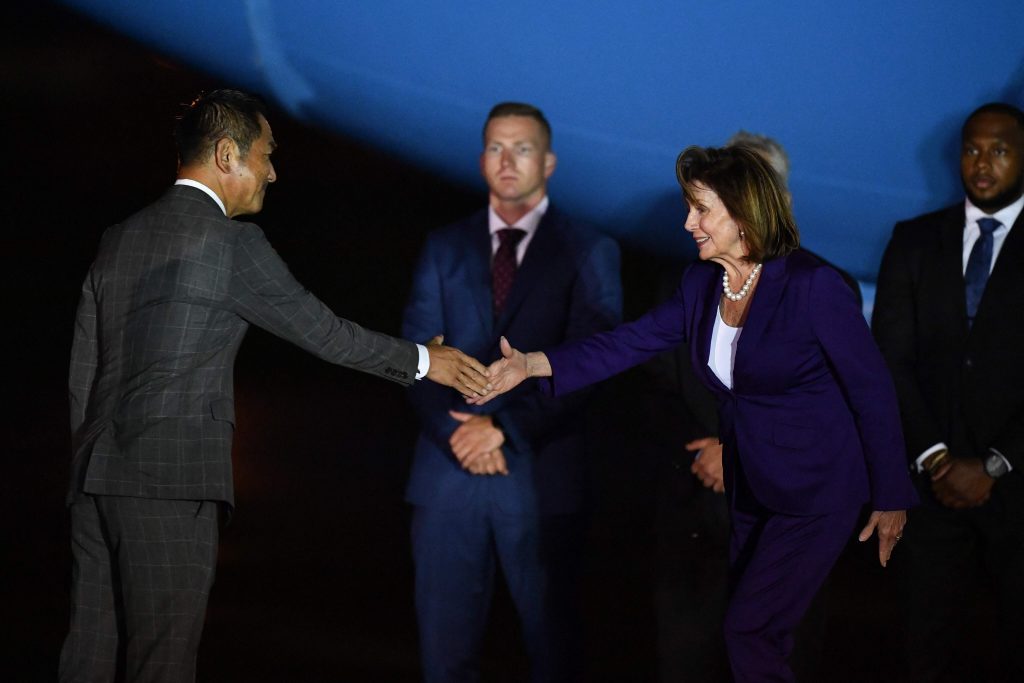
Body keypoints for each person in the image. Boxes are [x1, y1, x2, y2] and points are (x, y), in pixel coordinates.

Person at [59, 88, 491, 683]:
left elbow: (85, 368)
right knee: (161, 661)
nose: (273, 171)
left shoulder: (120, 237)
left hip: (93, 475)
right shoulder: (233, 245)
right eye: (266, 154)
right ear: (227, 153)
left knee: (87, 655)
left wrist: (84, 459)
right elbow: (325, 332)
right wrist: (424, 361)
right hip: (172, 481)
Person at [470, 144, 916, 682]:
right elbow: (628, 342)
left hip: (817, 494)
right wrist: (534, 364)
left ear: (744, 212)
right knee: (758, 632)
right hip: (752, 489)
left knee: (750, 630)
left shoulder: (813, 287)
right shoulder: (701, 284)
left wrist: (891, 494)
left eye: (701, 209)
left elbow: (872, 390)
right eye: (690, 207)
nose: (688, 223)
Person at [401, 102, 622, 682]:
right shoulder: (443, 245)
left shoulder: (589, 249)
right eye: (496, 147)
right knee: (444, 658)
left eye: (521, 148)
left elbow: (592, 362)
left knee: (554, 652)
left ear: (548, 161)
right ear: (480, 160)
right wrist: (459, 433)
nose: (507, 160)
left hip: (540, 475)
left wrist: (506, 428)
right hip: (447, 475)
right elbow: (413, 355)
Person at [647, 130, 860, 682]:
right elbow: (651, 391)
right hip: (693, 524)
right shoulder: (683, 286)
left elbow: (838, 412)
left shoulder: (827, 287)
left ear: (781, 202)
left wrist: (736, 451)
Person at [872, 102, 1024, 681]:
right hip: (930, 489)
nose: (982, 163)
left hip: (1017, 491)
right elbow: (887, 360)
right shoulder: (913, 241)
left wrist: (994, 464)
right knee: (922, 649)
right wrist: (936, 456)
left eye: (1000, 150)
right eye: (971, 149)